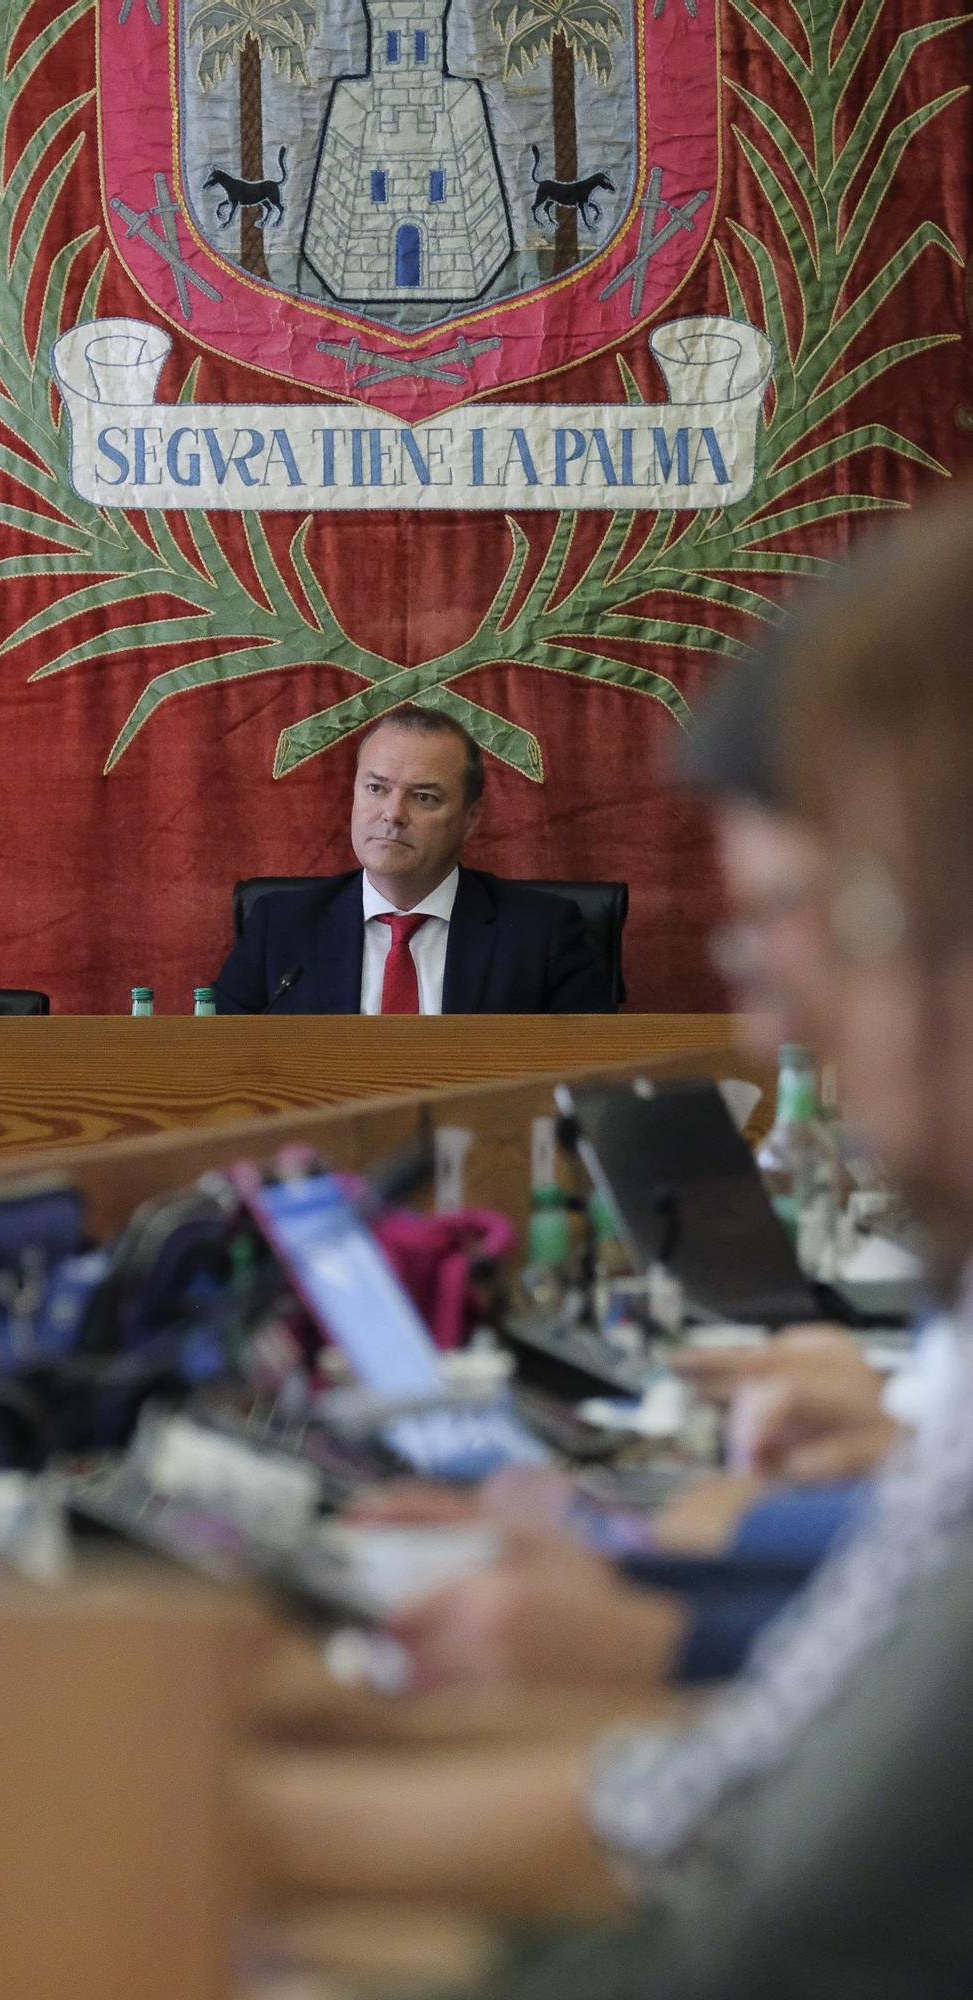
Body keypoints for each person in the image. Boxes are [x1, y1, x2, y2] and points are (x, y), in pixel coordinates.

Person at [243, 489, 973, 1981]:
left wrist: (165, 1812)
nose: (780, 1021)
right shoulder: (281, 933)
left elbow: (756, 1894)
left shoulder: (537, 940)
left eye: (814, 924)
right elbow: (746, 1793)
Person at [214, 707, 611, 1014]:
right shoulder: (281, 926)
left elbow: (590, 1080)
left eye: (424, 797)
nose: (392, 813)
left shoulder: (542, 933)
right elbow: (218, 1067)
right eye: (376, 788)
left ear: (471, 818)